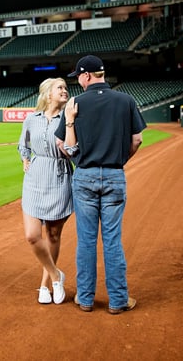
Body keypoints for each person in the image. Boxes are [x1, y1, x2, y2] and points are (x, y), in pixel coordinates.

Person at [55, 55, 146, 314]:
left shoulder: (75, 103)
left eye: (79, 78)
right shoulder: (125, 100)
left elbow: (64, 146)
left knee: (86, 240)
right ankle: (118, 301)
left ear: (86, 76)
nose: (78, 83)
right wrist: (119, 161)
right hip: (115, 175)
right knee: (112, 240)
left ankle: (85, 299)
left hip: (84, 175)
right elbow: (137, 139)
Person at [17, 77, 74, 304]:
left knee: (52, 234)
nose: (64, 90)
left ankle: (45, 286)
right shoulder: (31, 119)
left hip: (60, 175)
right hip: (35, 176)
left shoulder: (70, 118)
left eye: (66, 88)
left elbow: (74, 149)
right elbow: (24, 143)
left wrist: (68, 144)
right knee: (32, 235)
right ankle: (55, 274)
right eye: (59, 87)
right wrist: (24, 159)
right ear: (48, 93)